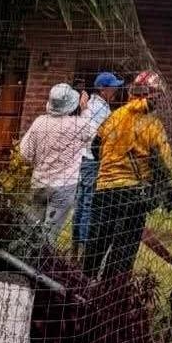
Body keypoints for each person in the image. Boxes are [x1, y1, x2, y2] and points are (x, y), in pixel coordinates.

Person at [83, 70, 172, 279]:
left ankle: (84, 285)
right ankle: (111, 290)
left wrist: (112, 164)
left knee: (96, 245)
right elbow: (165, 163)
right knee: (123, 250)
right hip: (132, 194)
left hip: (104, 191)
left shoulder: (115, 116)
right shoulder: (152, 124)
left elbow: (96, 147)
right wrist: (170, 189)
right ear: (153, 95)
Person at [19, 83, 93, 244]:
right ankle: (42, 258)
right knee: (49, 235)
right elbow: (91, 131)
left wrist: (41, 160)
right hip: (64, 186)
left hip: (39, 182)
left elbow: (25, 153)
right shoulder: (78, 124)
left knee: (30, 230)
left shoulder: (40, 122)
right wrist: (85, 109)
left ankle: (23, 257)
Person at [72, 71, 123, 257]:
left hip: (84, 159)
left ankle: (75, 248)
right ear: (103, 89)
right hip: (93, 160)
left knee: (81, 203)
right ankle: (83, 250)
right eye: (113, 87)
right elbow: (98, 137)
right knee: (89, 204)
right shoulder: (101, 110)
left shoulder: (92, 106)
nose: (116, 90)